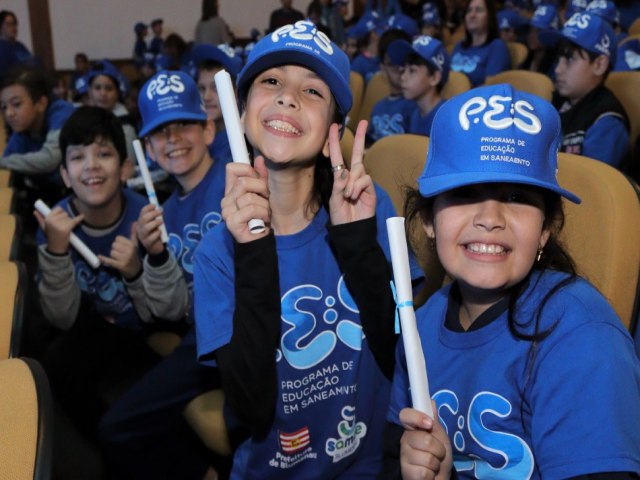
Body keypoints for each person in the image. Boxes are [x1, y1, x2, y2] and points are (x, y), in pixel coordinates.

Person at [192, 19, 423, 479]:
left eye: (313, 91)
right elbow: (252, 408)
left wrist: (356, 243)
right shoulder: (216, 253)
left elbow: (399, 351)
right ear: (240, 114)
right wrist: (253, 249)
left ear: (333, 130)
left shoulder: (367, 210)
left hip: (370, 464)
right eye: (271, 81)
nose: (288, 97)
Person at [383, 83, 640, 479]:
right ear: (430, 221)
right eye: (465, 192)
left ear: (545, 229)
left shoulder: (582, 338)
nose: (491, 217)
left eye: (518, 197)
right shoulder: (423, 322)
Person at [99, 70, 232, 480]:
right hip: (202, 341)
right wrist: (153, 257)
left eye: (184, 125)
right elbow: (172, 307)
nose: (173, 139)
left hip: (253, 333)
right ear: (149, 150)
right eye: (161, 132)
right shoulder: (164, 216)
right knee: (116, 428)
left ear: (209, 129)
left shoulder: (239, 173)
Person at [34, 106, 162, 443]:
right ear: (64, 174)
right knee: (54, 360)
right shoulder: (54, 224)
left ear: (124, 168)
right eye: (78, 158)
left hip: (144, 328)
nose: (91, 165)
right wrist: (57, 251)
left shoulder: (147, 217)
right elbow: (61, 318)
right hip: (92, 326)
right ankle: (105, 444)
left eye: (103, 154)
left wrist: (135, 270)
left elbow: (159, 312)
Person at [553, 11, 630, 168]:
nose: (558, 69)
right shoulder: (559, 102)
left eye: (569, 59)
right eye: (559, 58)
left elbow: (589, 185)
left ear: (599, 65)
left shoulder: (606, 123)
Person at [1, 67, 75, 203]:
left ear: (41, 103)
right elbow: (8, 161)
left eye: (16, 104)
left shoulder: (61, 113)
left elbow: (49, 159)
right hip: (48, 196)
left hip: (78, 196)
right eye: (4, 107)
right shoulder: (22, 131)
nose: (9, 113)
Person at [388, 35, 449, 136]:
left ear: (434, 78)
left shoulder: (447, 118)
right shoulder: (413, 113)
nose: (403, 77)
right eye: (403, 70)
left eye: (412, 70)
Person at [191, 43, 242, 164]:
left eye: (216, 87)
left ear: (237, 91)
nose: (206, 97)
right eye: (202, 88)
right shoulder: (204, 136)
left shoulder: (246, 139)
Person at [367, 28, 417, 145]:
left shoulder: (417, 107)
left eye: (404, 61)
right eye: (392, 64)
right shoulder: (378, 107)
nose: (400, 68)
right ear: (382, 68)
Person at [87, 59, 137, 164]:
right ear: (89, 92)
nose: (103, 93)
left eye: (109, 88)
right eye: (97, 88)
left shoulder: (125, 124)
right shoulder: (83, 117)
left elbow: (129, 162)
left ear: (117, 93)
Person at [450, 0, 511, 86]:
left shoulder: (497, 47)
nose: (472, 15)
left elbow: (490, 87)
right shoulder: (459, 46)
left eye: (478, 10)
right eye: (469, 11)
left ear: (489, 17)